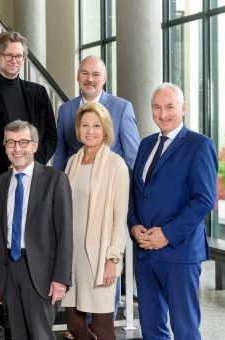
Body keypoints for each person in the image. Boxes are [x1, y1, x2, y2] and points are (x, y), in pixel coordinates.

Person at [0, 31, 57, 338]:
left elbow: (50, 137)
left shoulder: (38, 92)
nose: (14, 61)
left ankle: (33, 301)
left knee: (35, 241)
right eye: (8, 56)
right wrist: (10, 164)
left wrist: (28, 161)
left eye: (19, 56)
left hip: (34, 182)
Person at [128, 83, 217, 340]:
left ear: (183, 108)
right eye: (157, 107)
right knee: (152, 329)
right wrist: (134, 227)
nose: (163, 114)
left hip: (179, 253)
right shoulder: (145, 145)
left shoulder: (199, 145)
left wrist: (166, 234)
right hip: (145, 254)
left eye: (170, 107)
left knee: (185, 329)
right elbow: (135, 196)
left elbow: (203, 200)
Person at [0, 120, 72, 340]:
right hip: (8, 270)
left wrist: (61, 278)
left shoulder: (55, 180)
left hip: (41, 272)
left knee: (41, 335)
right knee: (17, 335)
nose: (17, 149)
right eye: (11, 143)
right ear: (5, 147)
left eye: (23, 142)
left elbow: (65, 234)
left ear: (34, 146)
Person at [61, 102, 129, 340]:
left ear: (105, 129)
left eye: (96, 126)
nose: (90, 131)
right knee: (74, 324)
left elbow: (120, 218)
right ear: (78, 129)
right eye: (85, 125)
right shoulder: (72, 162)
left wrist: (113, 258)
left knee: (102, 327)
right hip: (72, 256)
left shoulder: (116, 165)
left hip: (100, 256)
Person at [54, 55, 140, 171]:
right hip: (74, 183)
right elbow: (60, 156)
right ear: (78, 76)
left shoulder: (122, 108)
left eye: (96, 74)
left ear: (104, 78)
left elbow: (133, 158)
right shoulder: (65, 110)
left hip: (110, 183)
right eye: (84, 73)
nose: (89, 79)